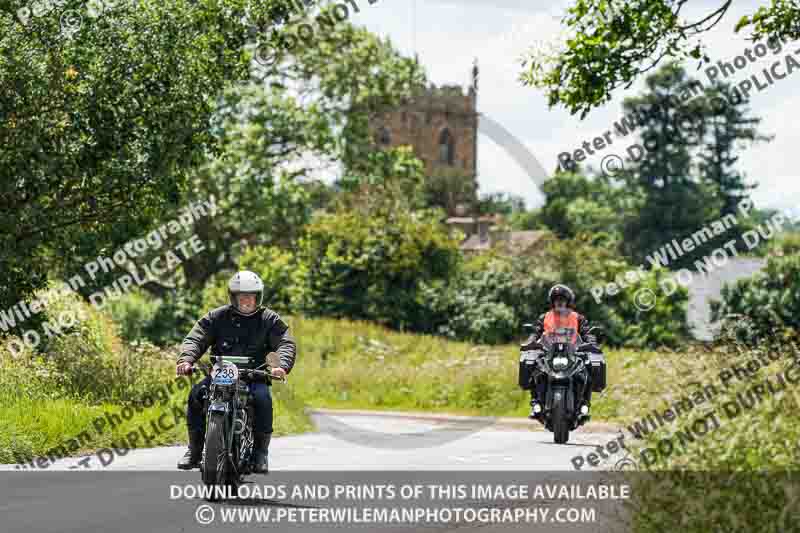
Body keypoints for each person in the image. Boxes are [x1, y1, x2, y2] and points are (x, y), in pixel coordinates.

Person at [175, 270, 297, 473]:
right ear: (233, 297)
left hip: (254, 376)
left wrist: (280, 366)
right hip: (221, 374)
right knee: (196, 394)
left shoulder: (269, 319)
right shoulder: (217, 316)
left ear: (258, 297)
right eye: (242, 296)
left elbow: (285, 342)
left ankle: (260, 454)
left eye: (251, 296)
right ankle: (194, 450)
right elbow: (196, 338)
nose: (247, 300)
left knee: (263, 399)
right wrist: (186, 360)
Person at [526, 284, 596, 420]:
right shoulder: (545, 317)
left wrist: (591, 342)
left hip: (573, 353)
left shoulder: (577, 318)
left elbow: (586, 333)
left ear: (568, 302)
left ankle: (584, 405)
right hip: (549, 353)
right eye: (556, 299)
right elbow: (536, 332)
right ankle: (536, 404)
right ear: (552, 301)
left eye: (562, 299)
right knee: (535, 369)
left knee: (587, 370)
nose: (559, 302)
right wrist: (531, 341)